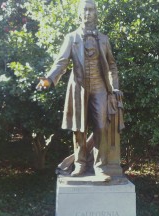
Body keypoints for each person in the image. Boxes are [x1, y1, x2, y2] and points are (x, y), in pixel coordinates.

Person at [36, 0, 122, 181]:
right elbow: (61, 62)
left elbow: (112, 66)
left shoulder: (104, 39)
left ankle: (100, 166)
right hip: (79, 88)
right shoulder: (71, 38)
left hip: (100, 87)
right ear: (79, 14)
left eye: (91, 10)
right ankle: (80, 164)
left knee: (101, 126)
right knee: (79, 128)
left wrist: (115, 88)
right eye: (84, 10)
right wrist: (49, 80)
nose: (88, 13)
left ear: (95, 13)